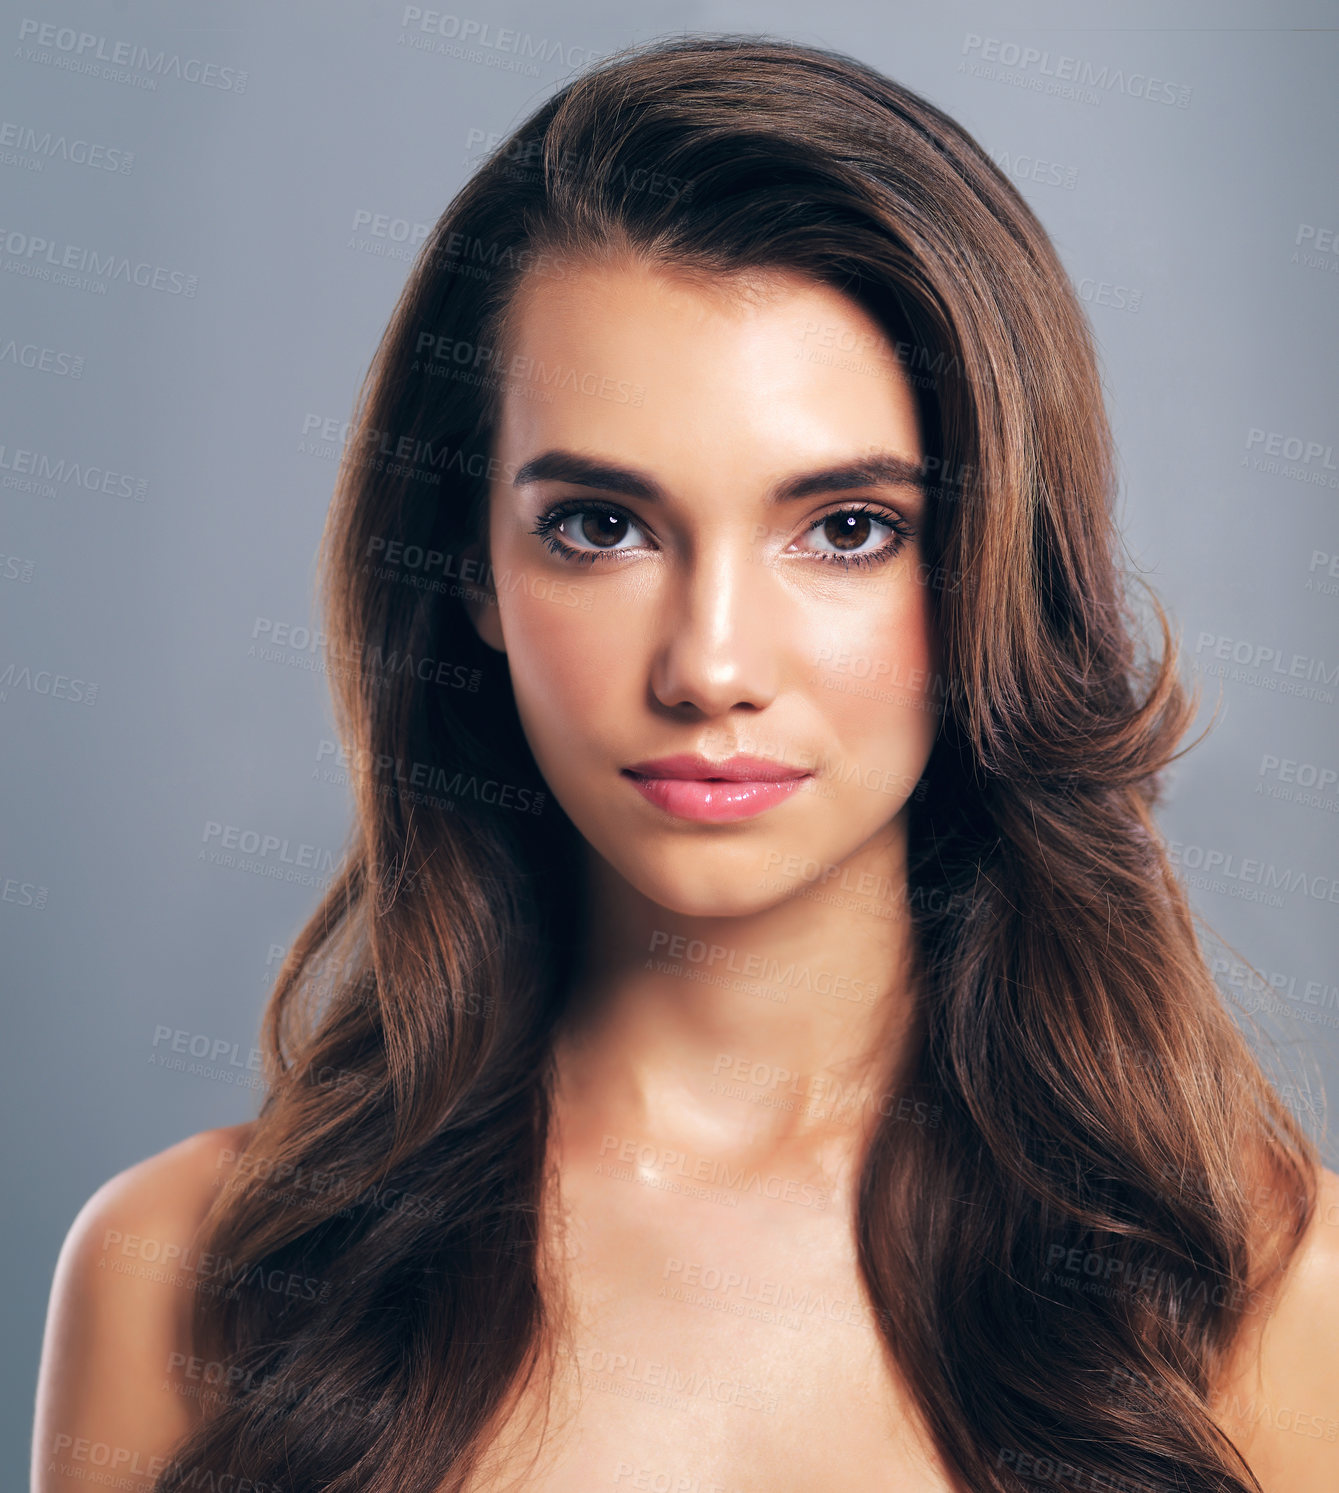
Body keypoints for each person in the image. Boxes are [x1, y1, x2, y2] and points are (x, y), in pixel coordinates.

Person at [32, 33, 1338, 1493]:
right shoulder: (180, 1279)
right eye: (602, 525)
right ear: (469, 566)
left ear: (990, 569)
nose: (711, 666)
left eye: (847, 528)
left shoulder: (1272, 1294)